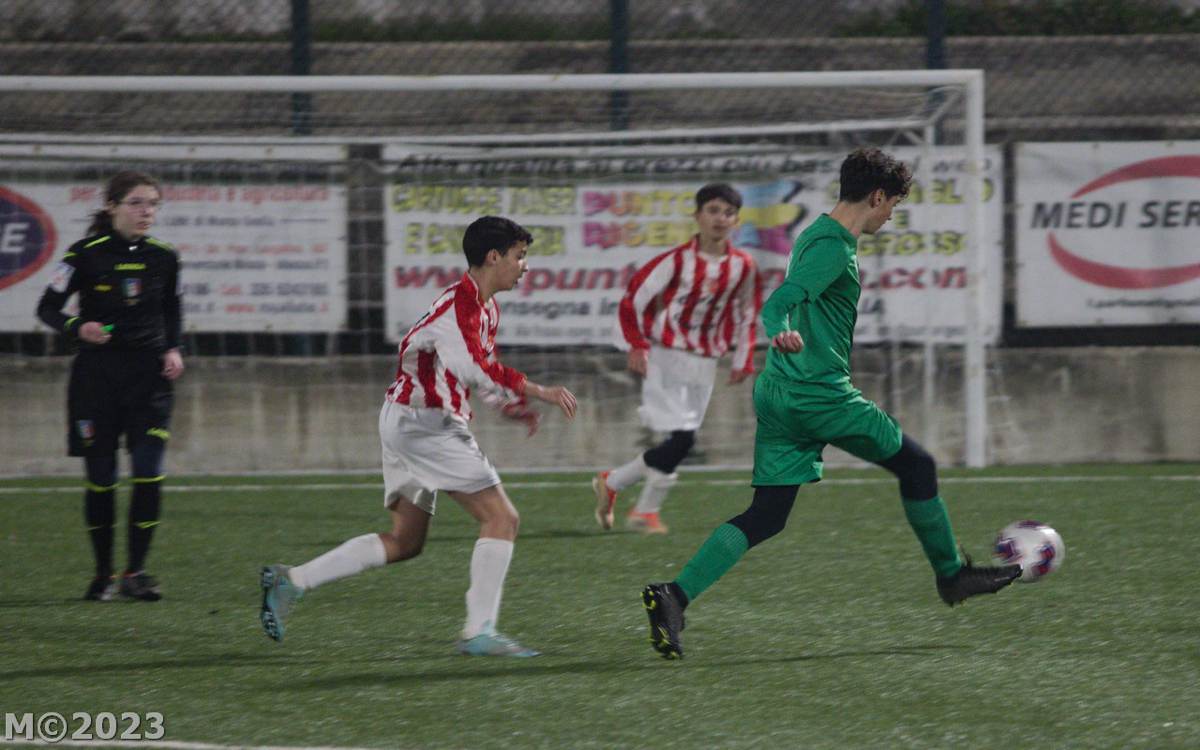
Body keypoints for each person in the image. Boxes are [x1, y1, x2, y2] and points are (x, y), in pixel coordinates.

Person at [640, 149, 1022, 659]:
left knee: (767, 514)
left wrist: (783, 337)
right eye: (893, 205)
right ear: (877, 196)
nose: (891, 216)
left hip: (779, 392)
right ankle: (952, 576)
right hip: (819, 395)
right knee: (918, 466)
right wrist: (780, 330)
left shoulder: (815, 233)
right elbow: (779, 302)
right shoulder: (834, 248)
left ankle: (674, 595)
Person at [259, 216, 577, 657]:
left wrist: (506, 404)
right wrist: (540, 391)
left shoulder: (483, 306)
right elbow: (475, 368)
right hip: (426, 427)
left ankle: (291, 580)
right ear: (494, 257)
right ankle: (479, 631)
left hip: (407, 420)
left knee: (405, 542)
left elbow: (474, 368)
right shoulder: (460, 308)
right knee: (502, 519)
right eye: (520, 256)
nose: (525, 266)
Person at [36, 170, 184, 602]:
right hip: (96, 381)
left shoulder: (164, 257)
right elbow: (47, 308)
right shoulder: (84, 254)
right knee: (101, 479)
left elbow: (172, 309)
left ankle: (135, 573)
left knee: (148, 472)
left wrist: (173, 348)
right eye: (136, 203)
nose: (146, 212)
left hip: (149, 381)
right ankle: (102, 574)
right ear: (112, 206)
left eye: (153, 204)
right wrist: (77, 327)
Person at [591, 183, 762, 534]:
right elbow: (634, 299)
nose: (720, 218)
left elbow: (748, 312)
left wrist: (743, 359)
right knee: (683, 440)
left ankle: (613, 482)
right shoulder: (676, 261)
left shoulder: (743, 266)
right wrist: (636, 345)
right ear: (697, 216)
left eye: (728, 213)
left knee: (679, 442)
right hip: (666, 357)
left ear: (736, 221)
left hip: (705, 362)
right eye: (712, 211)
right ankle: (644, 513)